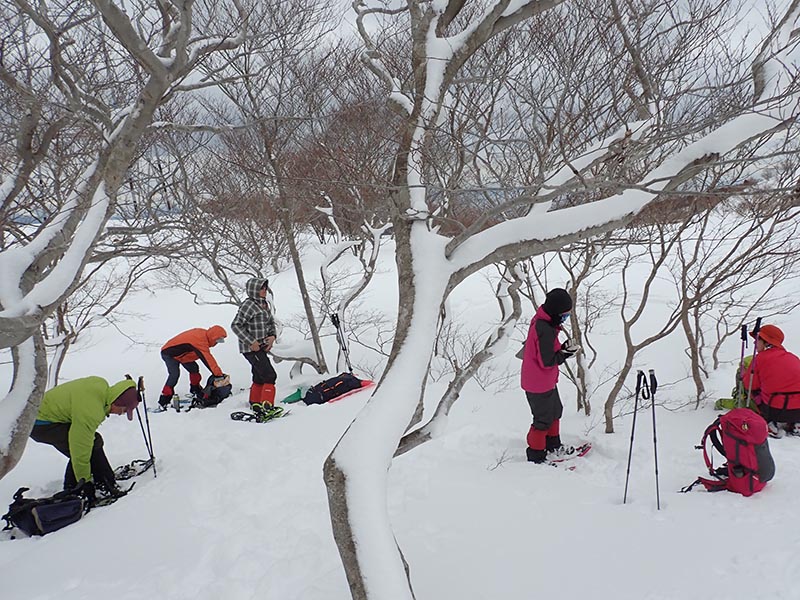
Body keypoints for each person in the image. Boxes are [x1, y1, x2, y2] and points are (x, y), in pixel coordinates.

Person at [30, 377, 141, 495]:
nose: (120, 414)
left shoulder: (101, 387)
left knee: (93, 442)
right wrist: (85, 481)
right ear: (116, 401)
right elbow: (80, 448)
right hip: (39, 424)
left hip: (41, 412)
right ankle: (75, 488)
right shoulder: (92, 410)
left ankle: (103, 479)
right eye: (123, 410)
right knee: (85, 448)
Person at [520, 288, 581, 463]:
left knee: (555, 411)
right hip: (537, 382)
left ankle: (553, 445)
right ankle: (536, 455)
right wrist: (566, 353)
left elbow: (545, 351)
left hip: (545, 380)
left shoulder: (545, 321)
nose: (566, 317)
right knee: (542, 420)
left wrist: (562, 349)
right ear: (555, 311)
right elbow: (547, 360)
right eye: (565, 314)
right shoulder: (544, 328)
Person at [742, 324, 800, 437]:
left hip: (776, 410)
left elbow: (750, 385)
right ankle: (795, 423)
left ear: (767, 342)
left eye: (757, 339)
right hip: (798, 410)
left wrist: (744, 375)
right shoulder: (793, 357)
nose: (754, 343)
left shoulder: (759, 359)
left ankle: (770, 422)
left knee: (753, 392)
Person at [231, 277, 278, 407]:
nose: (264, 290)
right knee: (269, 375)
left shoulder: (264, 304)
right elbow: (236, 325)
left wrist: (272, 336)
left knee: (259, 375)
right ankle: (267, 406)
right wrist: (251, 342)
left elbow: (270, 322)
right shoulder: (248, 305)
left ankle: (255, 403)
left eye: (265, 287)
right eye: (261, 288)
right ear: (254, 290)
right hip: (250, 349)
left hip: (261, 346)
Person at [158, 325, 228, 409]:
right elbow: (207, 359)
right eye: (217, 340)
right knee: (174, 374)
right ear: (213, 337)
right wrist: (218, 374)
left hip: (182, 355)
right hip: (169, 353)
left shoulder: (203, 335)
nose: (217, 343)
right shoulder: (200, 340)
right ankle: (164, 399)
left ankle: (195, 389)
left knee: (194, 369)